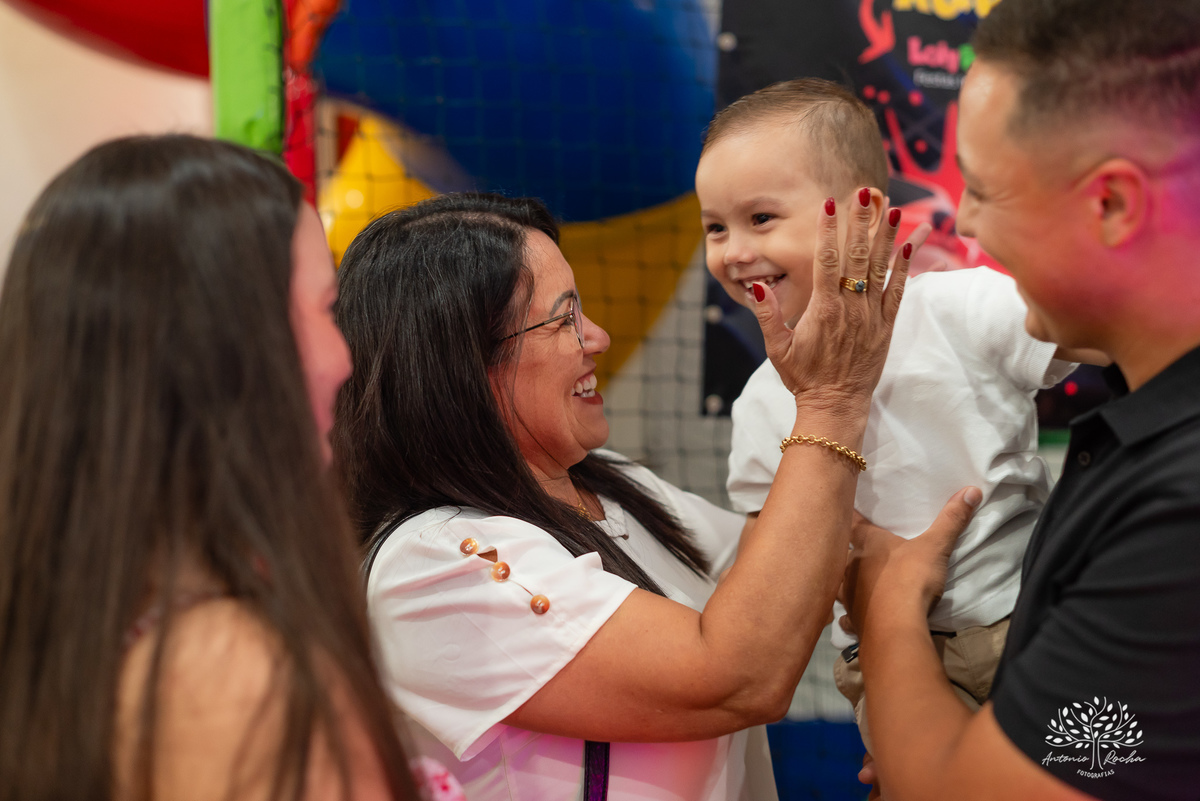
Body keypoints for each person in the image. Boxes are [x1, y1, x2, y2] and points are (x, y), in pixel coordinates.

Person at [331, 190, 919, 799]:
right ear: (465, 365)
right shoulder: (438, 563)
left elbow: (776, 570)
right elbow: (739, 674)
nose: (598, 336)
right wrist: (830, 403)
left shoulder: (607, 482)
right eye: (564, 317)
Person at [842, 0, 1200, 798]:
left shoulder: (1181, 507)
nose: (964, 222)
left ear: (1109, 203)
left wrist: (893, 604)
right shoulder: (1146, 426)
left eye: (985, 190)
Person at [0, 135, 420, 801]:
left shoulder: (98, 630)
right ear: (221, 345)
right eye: (323, 309)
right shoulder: (235, 676)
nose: (344, 357)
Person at [695, 77, 1100, 753]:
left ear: (862, 214)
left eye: (761, 218)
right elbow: (780, 571)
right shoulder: (760, 400)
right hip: (884, 656)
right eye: (715, 227)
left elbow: (1102, 329)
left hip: (1024, 626)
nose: (733, 250)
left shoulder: (958, 308)